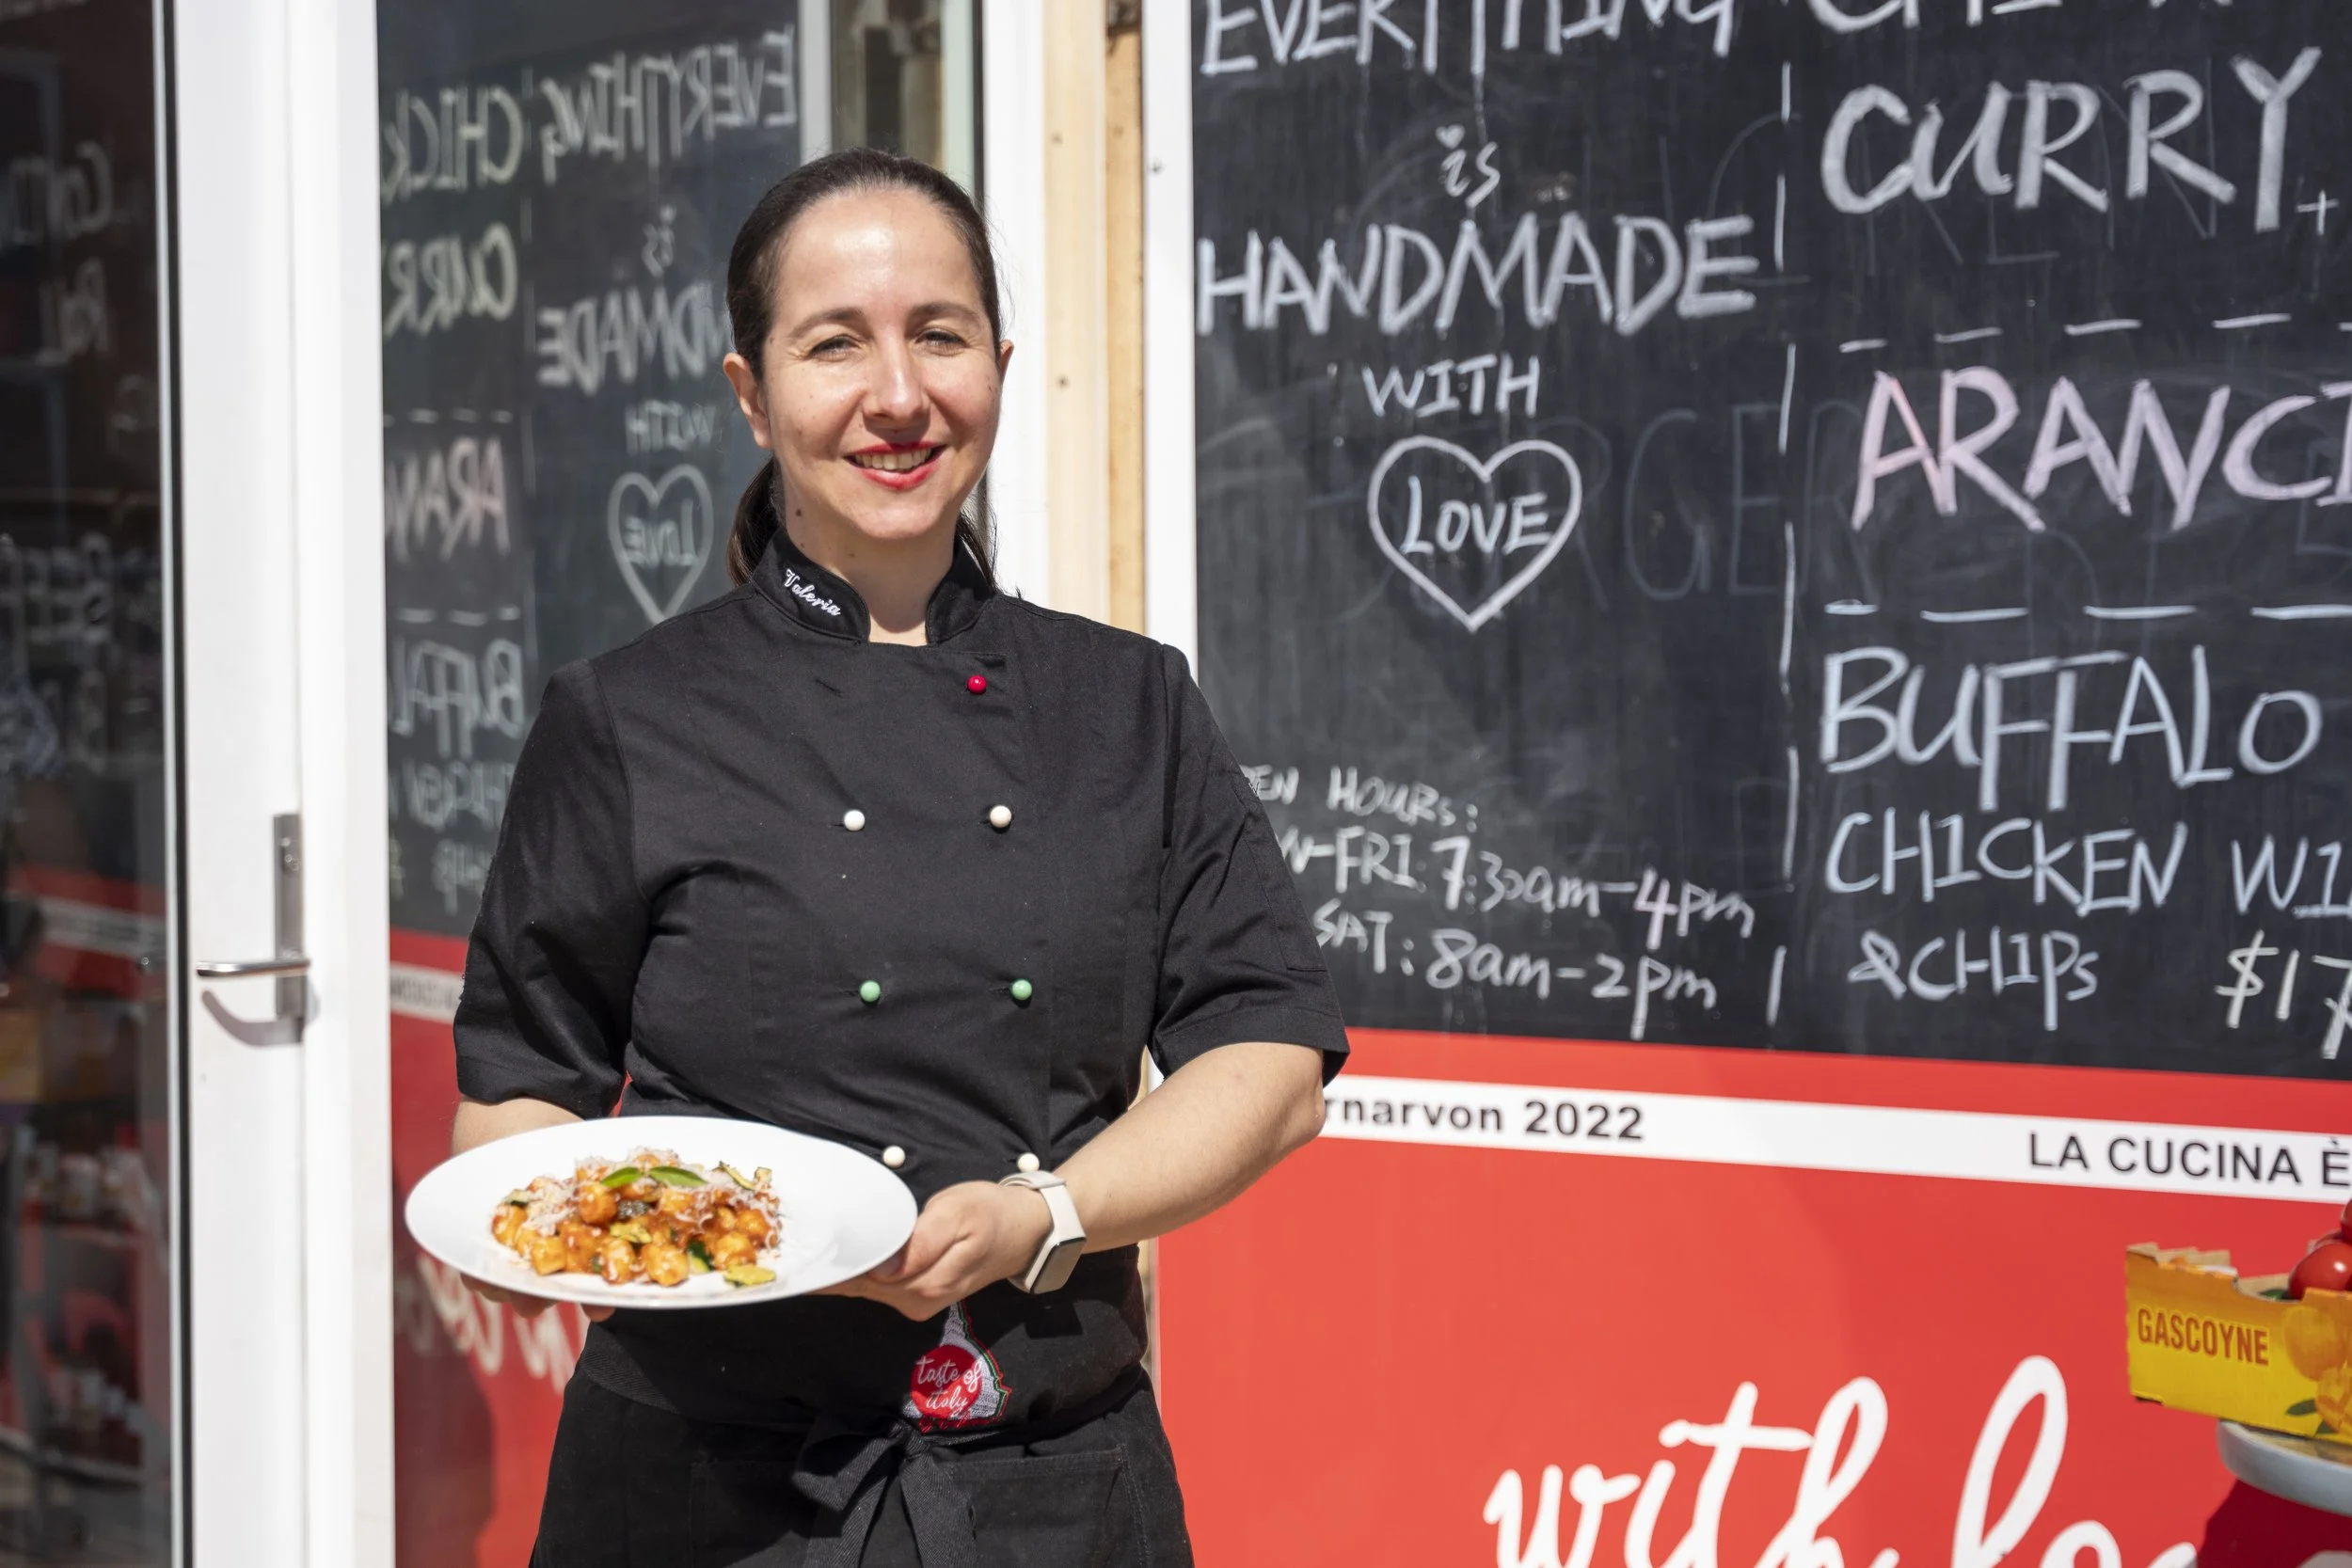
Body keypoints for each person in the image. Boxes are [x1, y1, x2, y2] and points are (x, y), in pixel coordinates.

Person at [448, 146, 1348, 1566]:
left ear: (998, 358)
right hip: (701, 1496)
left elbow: (1273, 1064)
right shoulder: (625, 718)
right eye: (833, 345)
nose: (898, 396)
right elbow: (516, 1109)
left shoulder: (1130, 704)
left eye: (939, 335)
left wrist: (1048, 1212)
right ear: (751, 392)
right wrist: (689, 1237)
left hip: (1052, 1488)